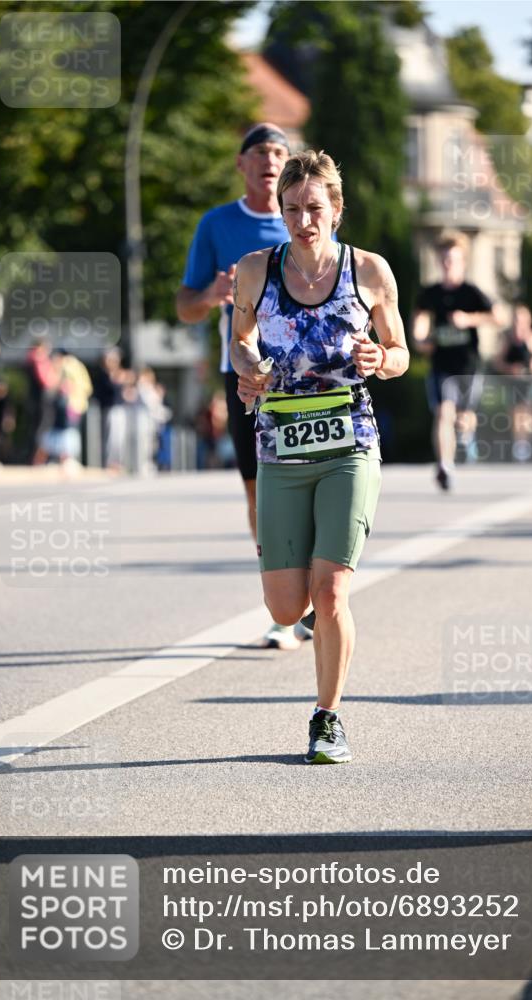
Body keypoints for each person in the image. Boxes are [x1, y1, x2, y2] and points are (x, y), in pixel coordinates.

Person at [230, 149, 409, 764]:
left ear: (335, 209)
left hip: (349, 443)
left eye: (313, 208)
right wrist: (248, 370)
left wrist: (379, 361)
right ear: (279, 211)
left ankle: (326, 719)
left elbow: (401, 351)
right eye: (291, 210)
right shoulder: (255, 271)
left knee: (331, 591)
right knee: (287, 606)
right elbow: (240, 342)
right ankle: (309, 618)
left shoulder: (370, 272)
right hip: (279, 446)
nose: (303, 221)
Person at [176, 122, 312, 650]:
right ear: (242, 164)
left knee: (310, 482)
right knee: (261, 492)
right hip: (247, 378)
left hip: (308, 375)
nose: (271, 160)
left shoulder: (305, 220)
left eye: (280, 151)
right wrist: (212, 294)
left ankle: (312, 595)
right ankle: (284, 608)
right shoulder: (216, 225)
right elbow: (184, 307)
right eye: (260, 152)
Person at [412, 232, 501, 490]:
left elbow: (497, 317)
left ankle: (466, 434)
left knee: (464, 417)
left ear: (463, 262)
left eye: (454, 259)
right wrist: (420, 340)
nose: (448, 264)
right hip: (441, 363)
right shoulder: (431, 293)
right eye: (445, 259)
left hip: (468, 364)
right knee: (443, 413)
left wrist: (469, 319)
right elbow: (418, 321)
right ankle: (444, 465)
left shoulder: (471, 292)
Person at [492, 304, 532, 462]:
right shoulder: (506, 338)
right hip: (513, 382)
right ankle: (520, 447)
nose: (520, 323)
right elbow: (497, 362)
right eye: (517, 319)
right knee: (516, 414)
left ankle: (526, 444)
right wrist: (511, 368)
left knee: (529, 415)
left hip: (531, 382)